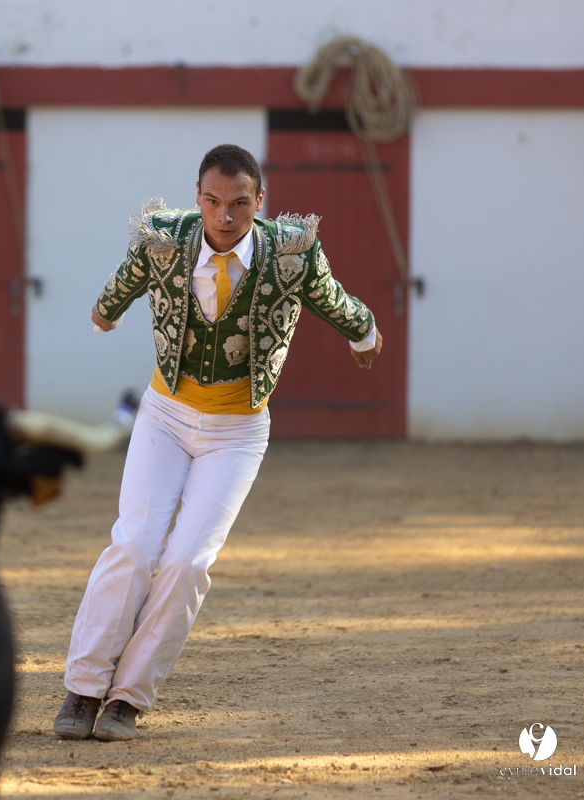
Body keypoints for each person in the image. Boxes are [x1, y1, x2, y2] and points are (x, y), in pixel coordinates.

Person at [53, 144, 382, 741]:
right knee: (134, 544)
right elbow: (120, 288)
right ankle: (82, 689)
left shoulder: (290, 253)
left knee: (186, 561)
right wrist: (105, 312)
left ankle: (127, 697)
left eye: (238, 204)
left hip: (237, 430)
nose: (223, 217)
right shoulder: (162, 238)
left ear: (261, 202)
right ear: (196, 196)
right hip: (165, 415)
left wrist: (365, 333)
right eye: (211, 201)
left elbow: (332, 298)